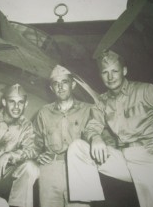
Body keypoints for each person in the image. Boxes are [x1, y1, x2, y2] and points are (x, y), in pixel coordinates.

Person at [67, 50, 153, 207]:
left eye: (115, 71)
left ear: (124, 71)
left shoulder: (145, 90)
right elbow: (92, 126)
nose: (110, 77)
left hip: (151, 159)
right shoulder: (103, 102)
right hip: (124, 158)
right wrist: (95, 137)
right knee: (77, 148)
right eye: (105, 73)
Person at [33, 65, 104, 207]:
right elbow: (34, 143)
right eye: (56, 84)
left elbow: (104, 141)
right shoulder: (43, 113)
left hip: (79, 170)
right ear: (52, 88)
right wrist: (37, 156)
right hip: (50, 170)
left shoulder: (89, 110)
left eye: (64, 82)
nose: (60, 87)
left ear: (73, 84)